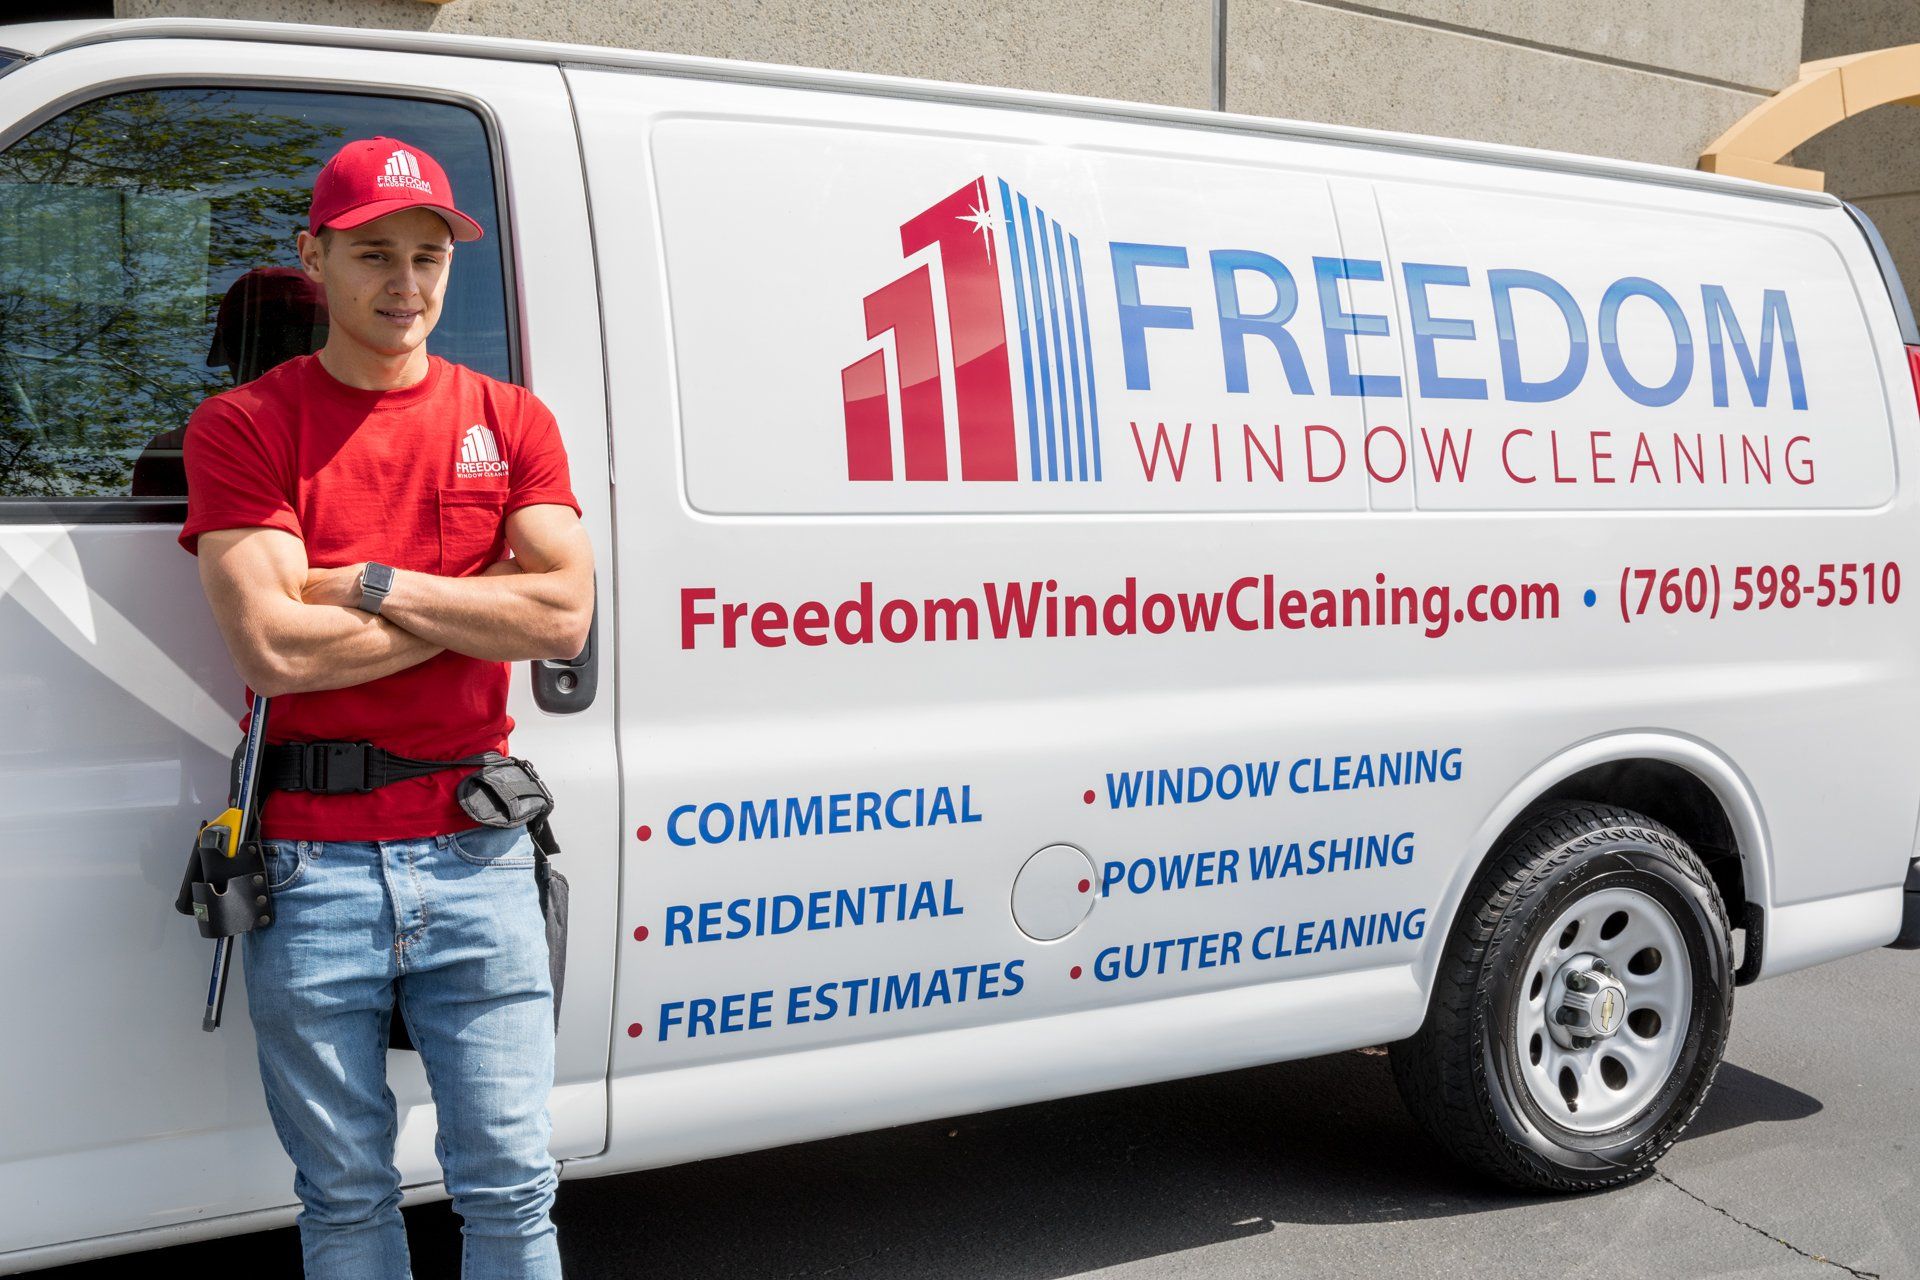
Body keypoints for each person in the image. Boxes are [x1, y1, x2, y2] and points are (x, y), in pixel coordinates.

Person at [177, 135, 593, 1279]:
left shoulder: (511, 420)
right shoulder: (247, 427)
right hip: (313, 868)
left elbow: (561, 618)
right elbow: (273, 645)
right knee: (348, 1195)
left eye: (428, 256)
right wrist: (478, 602)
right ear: (314, 256)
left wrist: (371, 581)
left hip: (479, 848)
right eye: (373, 254)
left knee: (512, 1187)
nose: (405, 285)